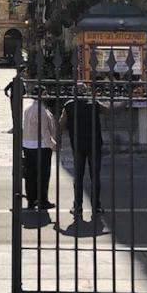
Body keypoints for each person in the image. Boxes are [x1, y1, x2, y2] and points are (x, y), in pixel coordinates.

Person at [59, 83, 106, 219]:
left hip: (78, 145)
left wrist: (58, 137)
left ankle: (77, 207)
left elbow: (61, 124)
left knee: (78, 177)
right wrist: (125, 102)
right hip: (94, 144)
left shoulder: (69, 105)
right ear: (85, 92)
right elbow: (109, 110)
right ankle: (96, 207)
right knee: (95, 177)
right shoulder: (94, 103)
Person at [21, 96, 57, 210]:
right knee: (43, 174)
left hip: (28, 145)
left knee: (30, 174)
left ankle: (31, 200)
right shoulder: (42, 111)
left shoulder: (28, 109)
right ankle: (42, 200)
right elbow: (44, 131)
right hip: (41, 146)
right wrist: (52, 145)